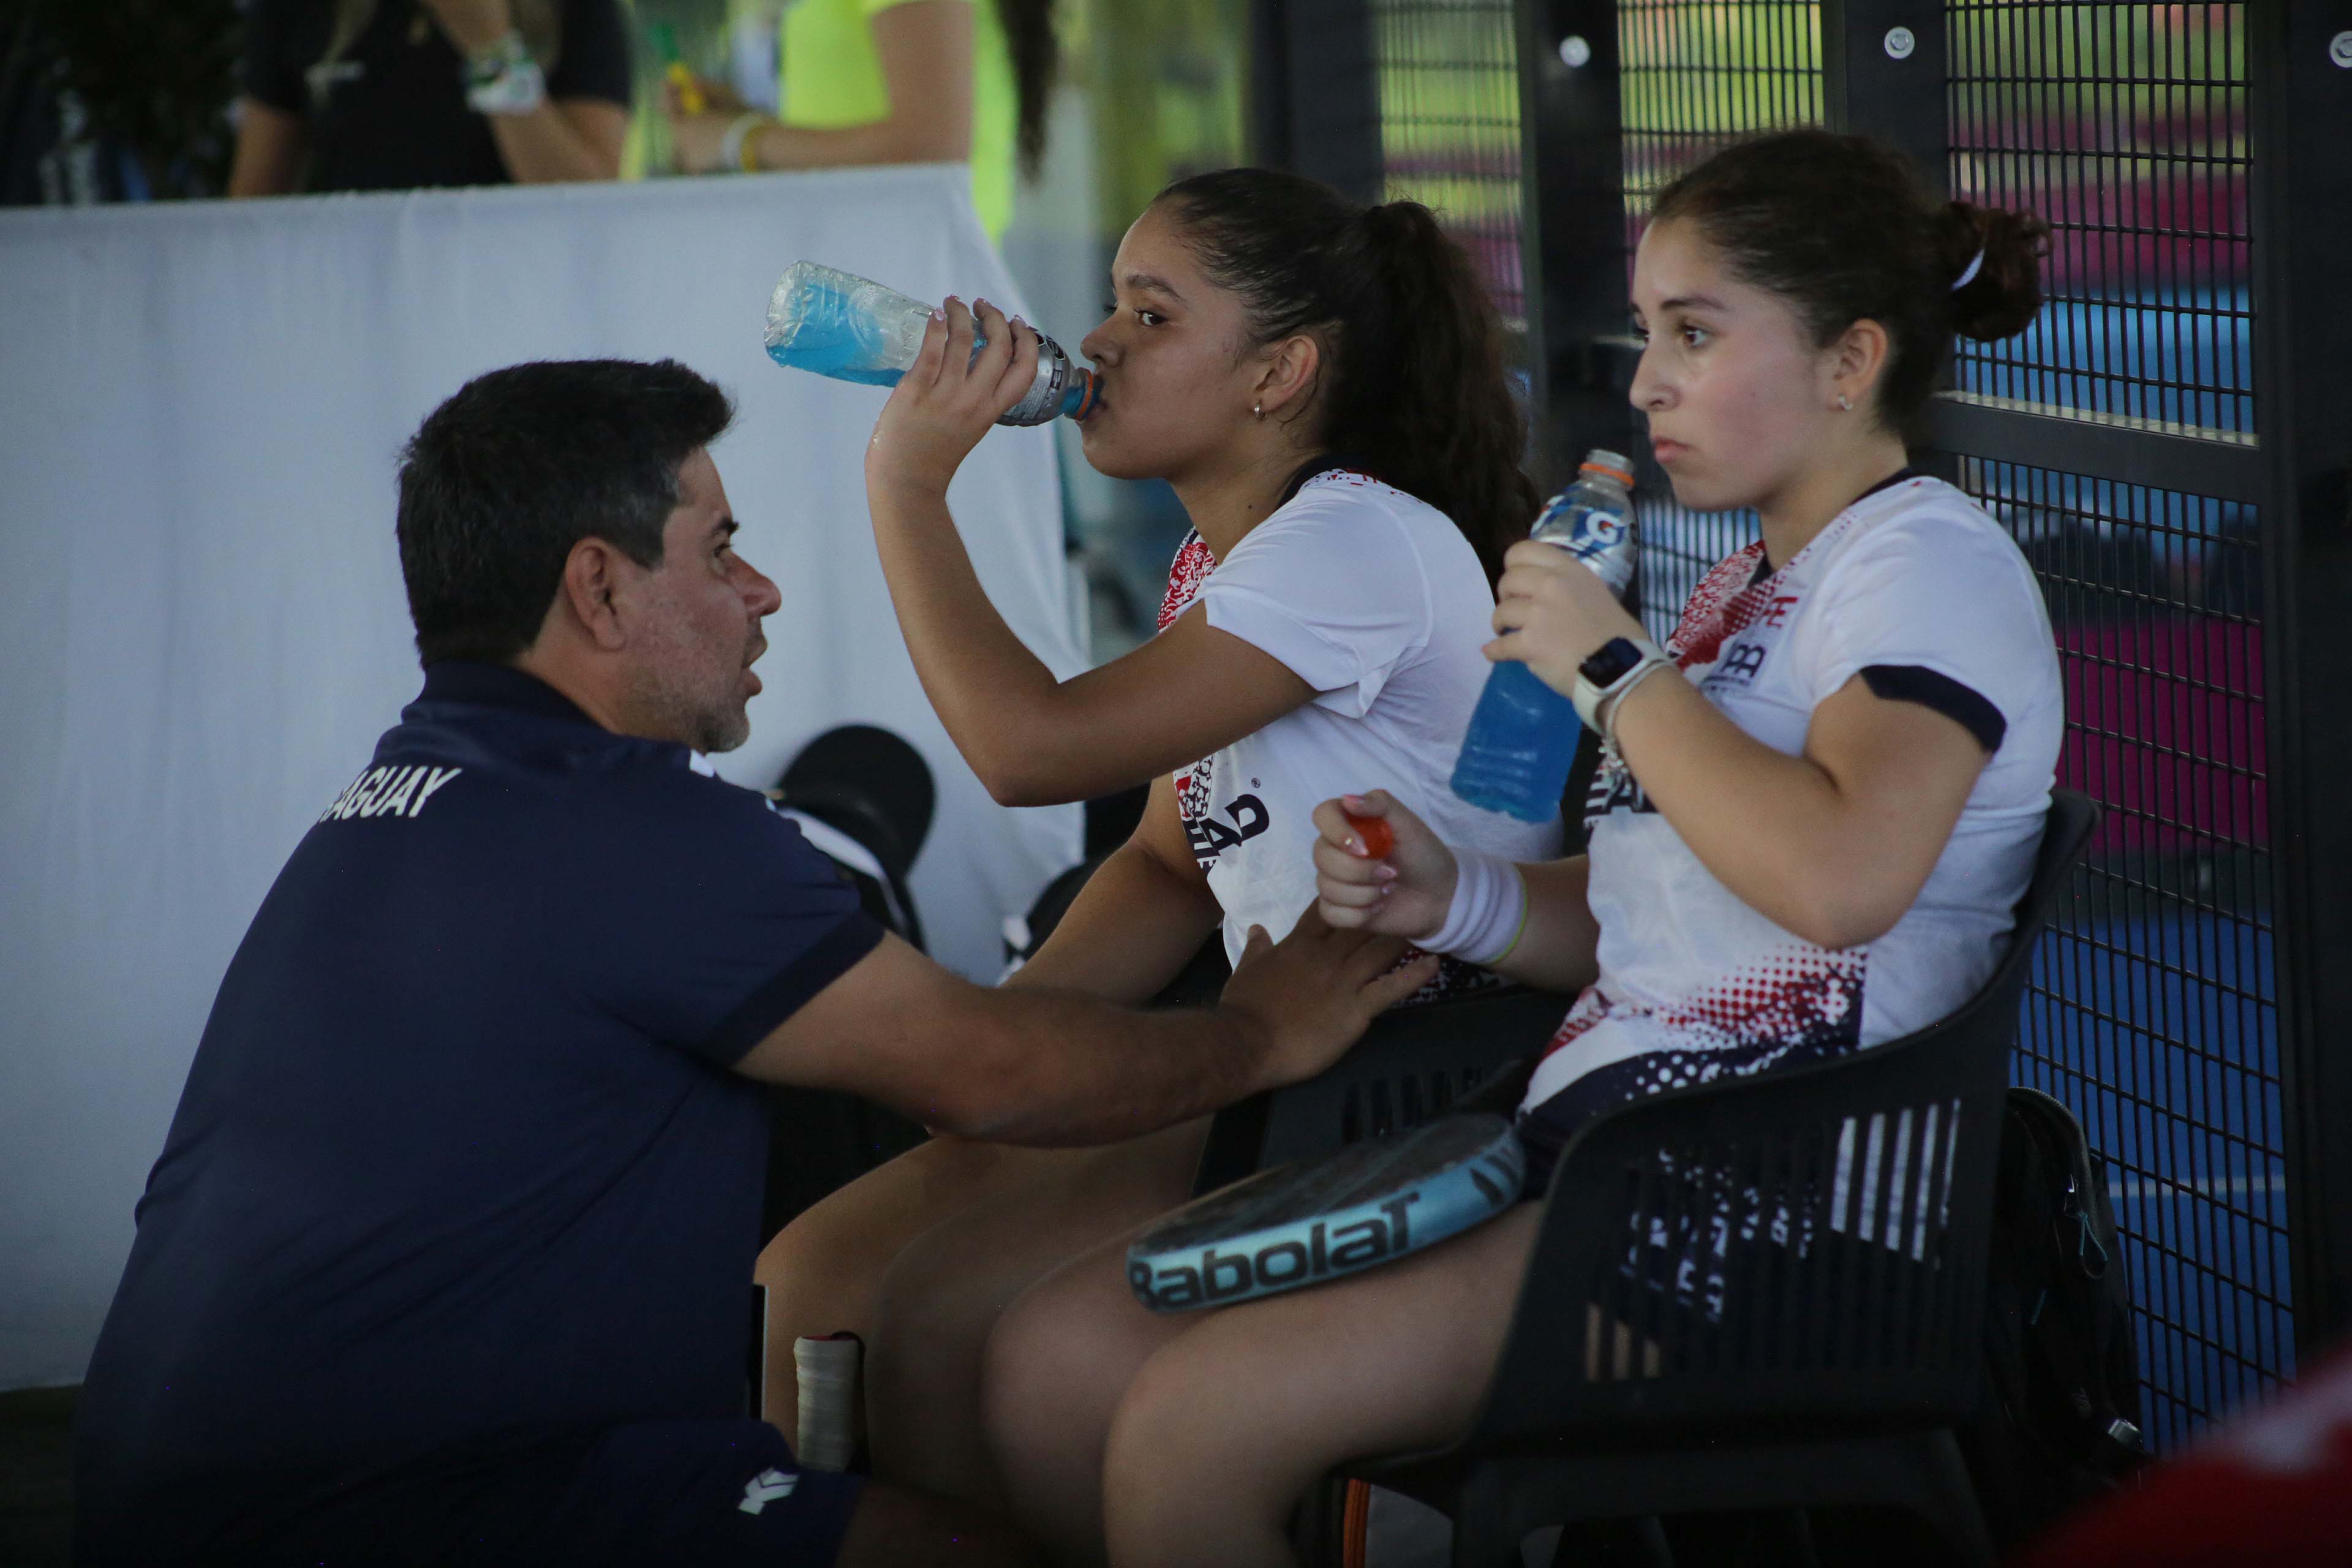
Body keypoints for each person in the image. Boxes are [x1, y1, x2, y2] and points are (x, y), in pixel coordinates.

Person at [69, 358, 1437, 1568]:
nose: (762, 588)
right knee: (967, 1553)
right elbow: (989, 1075)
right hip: (405, 1507)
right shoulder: (632, 830)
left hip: (195, 1493)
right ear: (600, 588)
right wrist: (1263, 1033)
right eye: (720, 550)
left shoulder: (402, 795)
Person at [976, 127, 2067, 1566]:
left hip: (1771, 1214)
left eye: (1693, 333)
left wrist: (1614, 668)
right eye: (1648, 331)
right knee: (1056, 1358)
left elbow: (1838, 881)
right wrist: (1453, 895)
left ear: (1849, 360)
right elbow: (1662, 914)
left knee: (1192, 1423)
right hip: (1594, 1151)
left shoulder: (1923, 563)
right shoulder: (1749, 584)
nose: (1646, 380)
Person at [752, 166, 1562, 1507]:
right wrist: (1014, 1044)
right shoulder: (1222, 560)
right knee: (811, 1274)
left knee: (941, 1320)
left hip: (1409, 1079)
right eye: (1112, 305)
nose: (1101, 342)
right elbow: (1167, 863)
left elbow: (1027, 751)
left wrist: (907, 483)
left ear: (1278, 374)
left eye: (1152, 313)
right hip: (1278, 1053)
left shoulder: (1356, 540)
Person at [662, 0, 1054, 241]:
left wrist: (739, 140)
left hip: (915, 281)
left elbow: (932, 145)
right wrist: (742, 123)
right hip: (887, 272)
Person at [230, 0, 629, 197]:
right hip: (358, 292)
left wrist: (491, 50)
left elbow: (588, 202)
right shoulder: (300, 9)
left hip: (514, 294)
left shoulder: (575, 10)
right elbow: (254, 201)